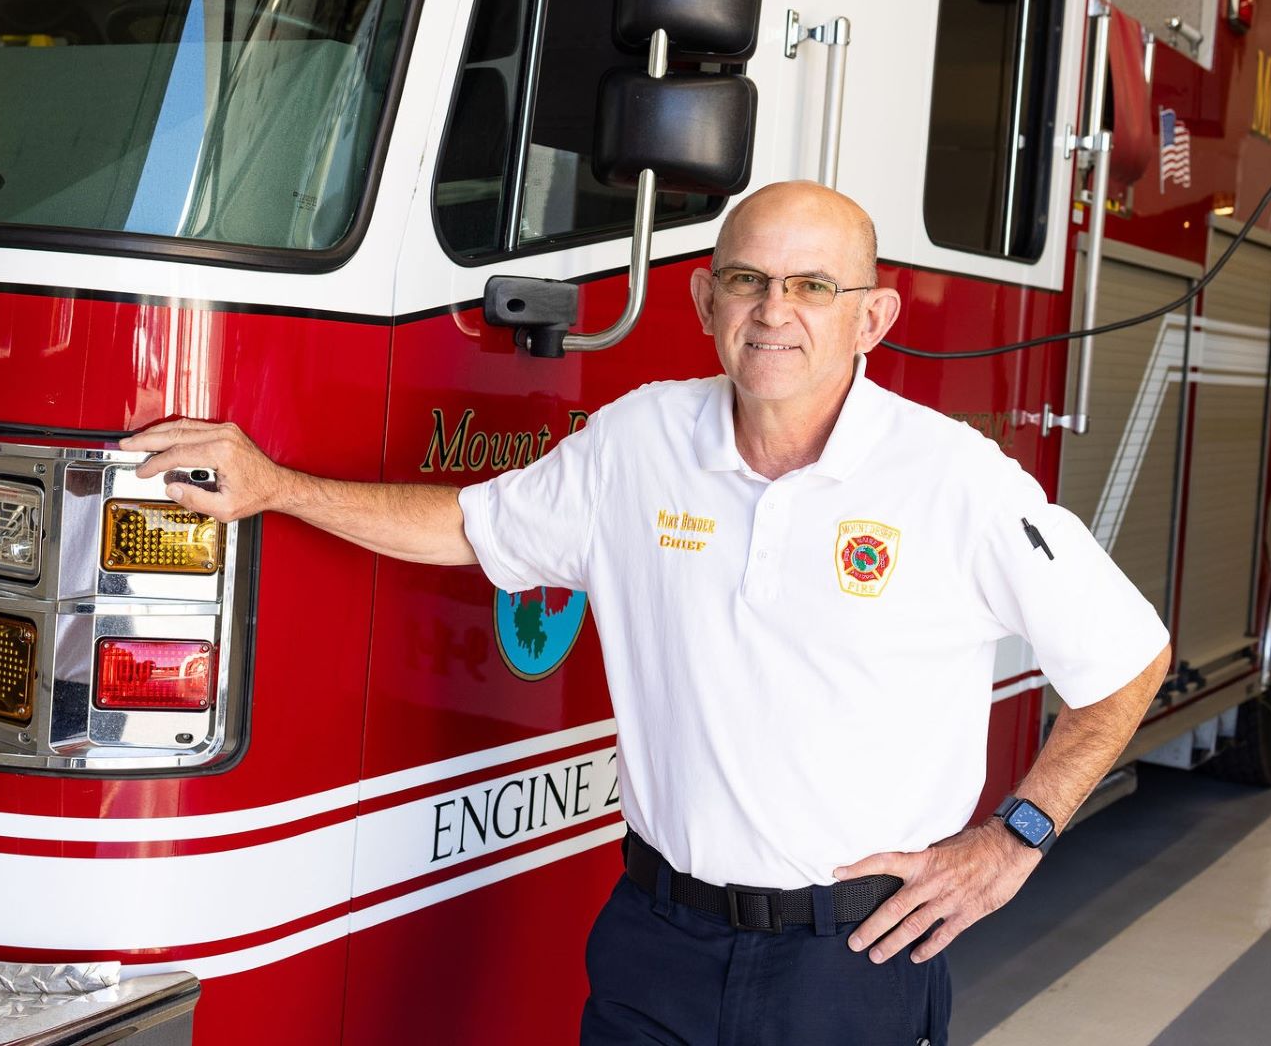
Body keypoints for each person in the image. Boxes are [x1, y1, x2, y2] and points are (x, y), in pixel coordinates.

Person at [123, 181, 1172, 1044]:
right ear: (706, 302)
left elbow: (1128, 659)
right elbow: (470, 524)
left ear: (874, 316)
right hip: (655, 942)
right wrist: (281, 487)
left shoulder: (953, 481)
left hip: (847, 967)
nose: (775, 311)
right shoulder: (640, 443)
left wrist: (1016, 837)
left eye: (813, 285)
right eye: (748, 282)